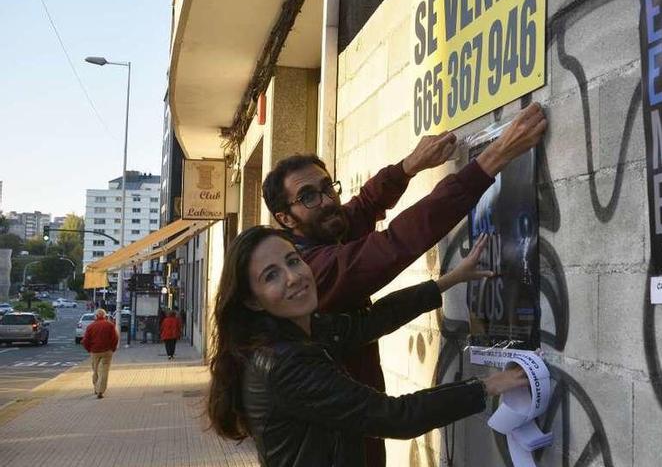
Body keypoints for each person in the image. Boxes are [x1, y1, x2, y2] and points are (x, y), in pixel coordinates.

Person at [261, 103, 545, 466]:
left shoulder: (317, 237)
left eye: (327, 188)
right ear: (285, 218)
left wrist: (409, 166)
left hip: (357, 437)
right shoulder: (311, 272)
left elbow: (360, 212)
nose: (329, 202)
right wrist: (488, 163)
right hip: (342, 445)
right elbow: (392, 245)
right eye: (309, 197)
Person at [207, 226, 527, 467]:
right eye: (271, 276)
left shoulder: (304, 330)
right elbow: (395, 416)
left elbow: (372, 321)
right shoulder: (286, 363)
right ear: (252, 300)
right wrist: (487, 386)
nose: (293, 277)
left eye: (293, 261)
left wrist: (450, 280)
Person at [81, 308, 119, 399]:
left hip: (95, 352)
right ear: (105, 316)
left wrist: (89, 349)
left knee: (95, 370)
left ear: (96, 316)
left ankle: (96, 388)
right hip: (107, 351)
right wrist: (113, 348)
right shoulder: (110, 325)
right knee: (104, 371)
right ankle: (101, 391)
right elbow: (115, 338)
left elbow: (85, 340)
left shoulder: (91, 326)